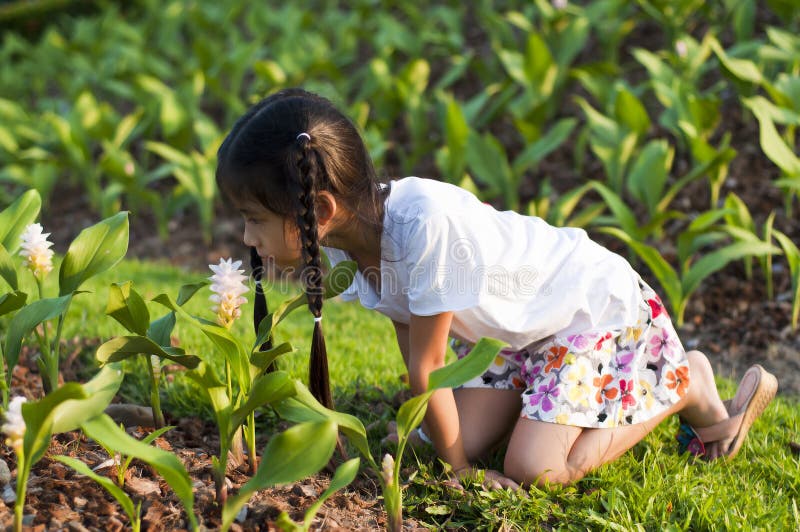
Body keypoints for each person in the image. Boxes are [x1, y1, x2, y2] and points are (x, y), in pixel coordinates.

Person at [215, 88, 778, 490]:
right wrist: (444, 445)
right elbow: (413, 346)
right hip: (516, 338)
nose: (247, 237)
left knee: (533, 469)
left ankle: (683, 382)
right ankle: (544, 401)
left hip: (586, 313)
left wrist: (461, 473)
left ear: (319, 208)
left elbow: (429, 370)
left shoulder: (426, 227)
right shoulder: (346, 239)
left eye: (253, 219)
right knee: (438, 438)